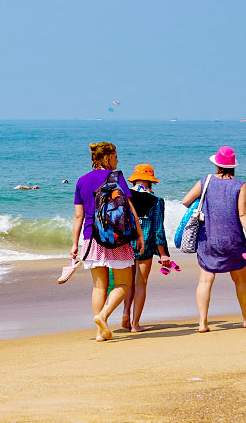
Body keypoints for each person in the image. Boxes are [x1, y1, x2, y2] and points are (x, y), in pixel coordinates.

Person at [71, 142, 144, 342]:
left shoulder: (81, 181)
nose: (118, 159)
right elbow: (129, 206)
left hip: (91, 237)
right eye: (115, 156)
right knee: (123, 283)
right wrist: (139, 233)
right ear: (107, 157)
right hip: (117, 237)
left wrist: (75, 244)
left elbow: (78, 216)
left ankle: (100, 333)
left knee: (98, 286)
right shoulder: (117, 176)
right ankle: (102, 316)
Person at [182, 146, 246, 332]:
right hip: (233, 240)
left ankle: (202, 323)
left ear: (217, 165)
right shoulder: (240, 185)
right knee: (241, 281)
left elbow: (185, 201)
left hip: (208, 239)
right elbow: (243, 213)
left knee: (205, 281)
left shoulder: (205, 181)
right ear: (233, 166)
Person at [119, 164, 170, 332]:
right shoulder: (156, 201)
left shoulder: (125, 197)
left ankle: (125, 314)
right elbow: (158, 229)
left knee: (127, 283)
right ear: (150, 181)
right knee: (141, 284)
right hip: (145, 246)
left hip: (126, 245)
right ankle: (135, 324)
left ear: (135, 178)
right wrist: (163, 254)